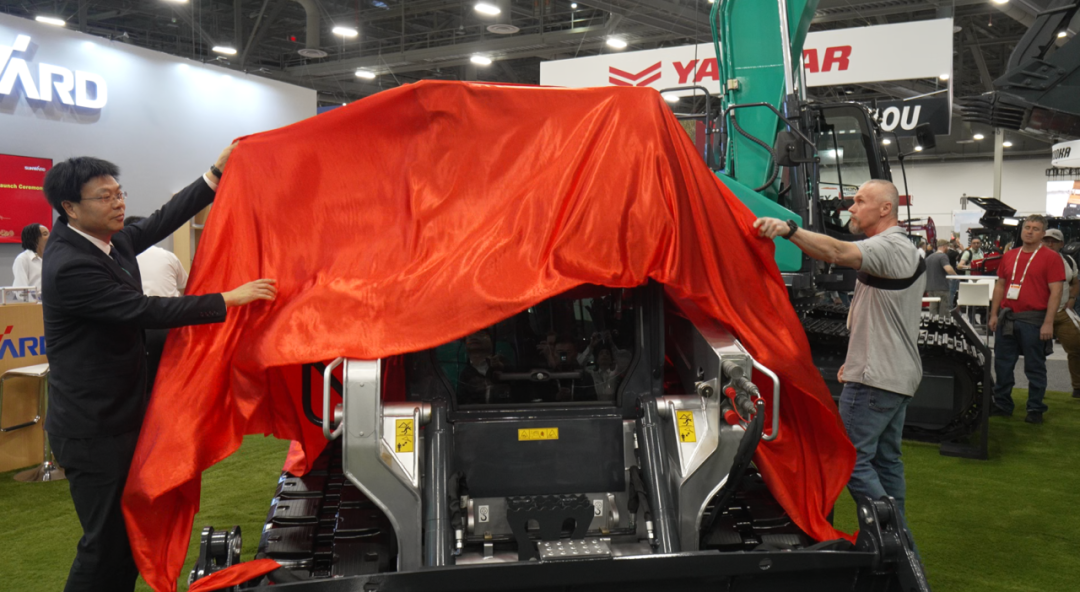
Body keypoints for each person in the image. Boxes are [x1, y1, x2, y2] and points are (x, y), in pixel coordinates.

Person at [41, 146, 278, 592]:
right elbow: (142, 309)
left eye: (119, 193)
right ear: (70, 208)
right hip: (93, 429)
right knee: (104, 544)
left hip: (123, 414)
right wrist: (227, 299)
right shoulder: (69, 265)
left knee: (130, 538)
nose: (118, 203)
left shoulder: (107, 242)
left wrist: (214, 174)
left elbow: (160, 220)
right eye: (105, 197)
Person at [753, 179, 924, 551]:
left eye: (860, 201)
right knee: (886, 461)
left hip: (876, 378)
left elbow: (835, 250)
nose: (851, 208)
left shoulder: (888, 246)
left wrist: (789, 229)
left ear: (885, 209)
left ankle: (890, 540)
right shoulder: (902, 248)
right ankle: (898, 542)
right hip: (895, 375)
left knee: (851, 458)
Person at [988, 215, 1064, 424]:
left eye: (1035, 229)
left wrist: (1048, 322)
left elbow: (1056, 292)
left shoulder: (1051, 258)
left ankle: (1035, 408)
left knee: (1035, 366)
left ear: (1043, 234)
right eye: (1027, 227)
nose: (1030, 231)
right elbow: (1000, 286)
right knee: (1002, 364)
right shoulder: (1009, 255)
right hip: (1007, 318)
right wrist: (994, 314)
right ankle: (1002, 404)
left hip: (1034, 320)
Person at [122, 215, 191, 392]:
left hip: (137, 327)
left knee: (141, 385)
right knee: (172, 382)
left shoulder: (119, 259)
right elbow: (186, 288)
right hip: (171, 325)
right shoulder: (167, 256)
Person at [1042, 229, 1080, 399]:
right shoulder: (1034, 260)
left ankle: (1078, 387)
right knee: (1035, 354)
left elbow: (1075, 282)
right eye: (1046, 240)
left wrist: (1071, 299)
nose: (1049, 244)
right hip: (1039, 314)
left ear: (1061, 244)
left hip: (1062, 313)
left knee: (1077, 347)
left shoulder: (1068, 261)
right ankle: (1037, 392)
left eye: (1054, 241)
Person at [11, 223, 50, 293]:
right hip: (32, 299)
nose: (50, 237)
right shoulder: (22, 259)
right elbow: (21, 291)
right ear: (34, 238)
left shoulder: (51, 258)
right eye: (45, 234)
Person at [925, 239, 958, 317]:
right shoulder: (943, 256)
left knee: (933, 311)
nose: (948, 249)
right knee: (944, 312)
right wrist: (956, 276)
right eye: (948, 247)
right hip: (942, 288)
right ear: (944, 246)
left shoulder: (929, 257)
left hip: (930, 288)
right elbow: (948, 269)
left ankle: (932, 324)